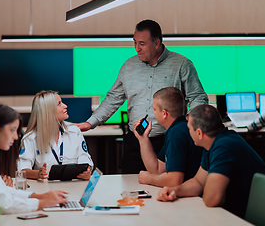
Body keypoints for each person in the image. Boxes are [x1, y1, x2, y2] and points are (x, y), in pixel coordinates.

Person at [76, 19, 208, 174]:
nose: (137, 48)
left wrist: (188, 124)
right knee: (131, 186)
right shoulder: (128, 66)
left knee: (167, 188)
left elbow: (198, 97)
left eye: (142, 44)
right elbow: (113, 98)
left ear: (157, 43)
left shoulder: (182, 65)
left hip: (169, 140)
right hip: (135, 141)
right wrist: (91, 122)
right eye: (135, 43)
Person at [156, 104, 265, 218]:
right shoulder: (215, 143)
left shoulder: (224, 147)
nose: (188, 132)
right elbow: (198, 182)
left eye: (189, 128)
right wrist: (174, 191)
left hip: (247, 218)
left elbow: (212, 199)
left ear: (199, 133)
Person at [134, 87, 203, 187]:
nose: (153, 113)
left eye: (154, 109)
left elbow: (174, 181)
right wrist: (143, 138)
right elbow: (157, 170)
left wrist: (148, 178)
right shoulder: (178, 128)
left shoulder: (177, 133)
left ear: (164, 113)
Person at [19, 90, 94, 180]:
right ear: (47, 110)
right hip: (45, 189)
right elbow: (22, 170)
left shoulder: (74, 131)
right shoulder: (30, 138)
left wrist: (87, 171)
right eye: (59, 104)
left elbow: (84, 158)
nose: (65, 106)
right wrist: (38, 174)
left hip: (74, 185)